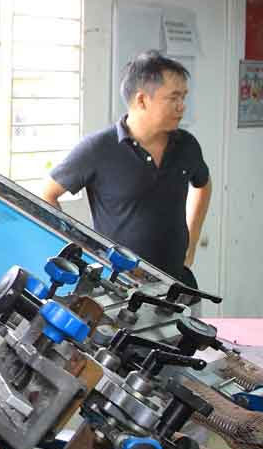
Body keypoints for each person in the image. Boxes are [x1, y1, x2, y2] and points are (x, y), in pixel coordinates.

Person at [39, 51, 212, 290]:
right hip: (119, 287)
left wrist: (191, 242)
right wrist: (84, 250)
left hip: (176, 282)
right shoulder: (98, 148)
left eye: (184, 97)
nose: (182, 106)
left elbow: (203, 184)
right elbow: (47, 194)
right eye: (173, 98)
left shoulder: (187, 145)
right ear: (141, 100)